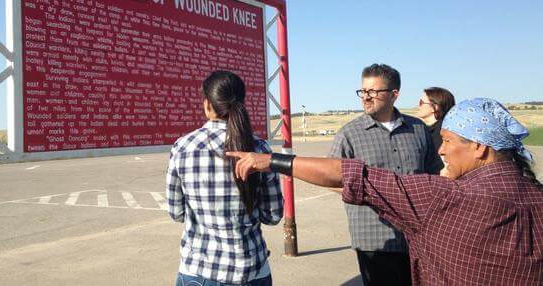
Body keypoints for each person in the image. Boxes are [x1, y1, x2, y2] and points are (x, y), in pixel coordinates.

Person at [228, 98, 543, 285]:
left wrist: (271, 161)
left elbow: (353, 175)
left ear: (478, 147)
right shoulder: (537, 198)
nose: (442, 150)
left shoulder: (444, 197)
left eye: (448, 140)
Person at [166, 70, 283, 286]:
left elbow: (177, 212)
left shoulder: (182, 147)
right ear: (241, 103)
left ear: (207, 104)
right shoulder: (259, 149)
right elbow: (273, 215)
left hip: (198, 271)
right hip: (250, 271)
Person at [330, 64, 443, 286]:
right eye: (363, 91)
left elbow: (435, 173)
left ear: (394, 95)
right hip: (375, 237)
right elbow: (331, 177)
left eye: (373, 92)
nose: (365, 97)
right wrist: (368, 195)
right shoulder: (349, 134)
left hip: (418, 235)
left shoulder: (418, 129)